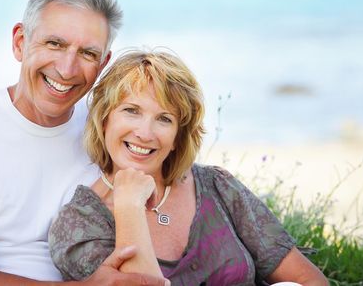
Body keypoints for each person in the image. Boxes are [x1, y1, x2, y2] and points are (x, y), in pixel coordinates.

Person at [0, 0, 167, 286]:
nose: (67, 69)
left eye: (88, 53)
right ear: (20, 42)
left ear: (103, 64)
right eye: (54, 44)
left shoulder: (109, 132)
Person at [48, 50, 329, 285]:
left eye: (164, 119)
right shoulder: (79, 224)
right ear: (104, 120)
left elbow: (309, 280)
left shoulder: (217, 186)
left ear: (177, 137)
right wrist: (129, 205)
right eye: (131, 111)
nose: (145, 133)